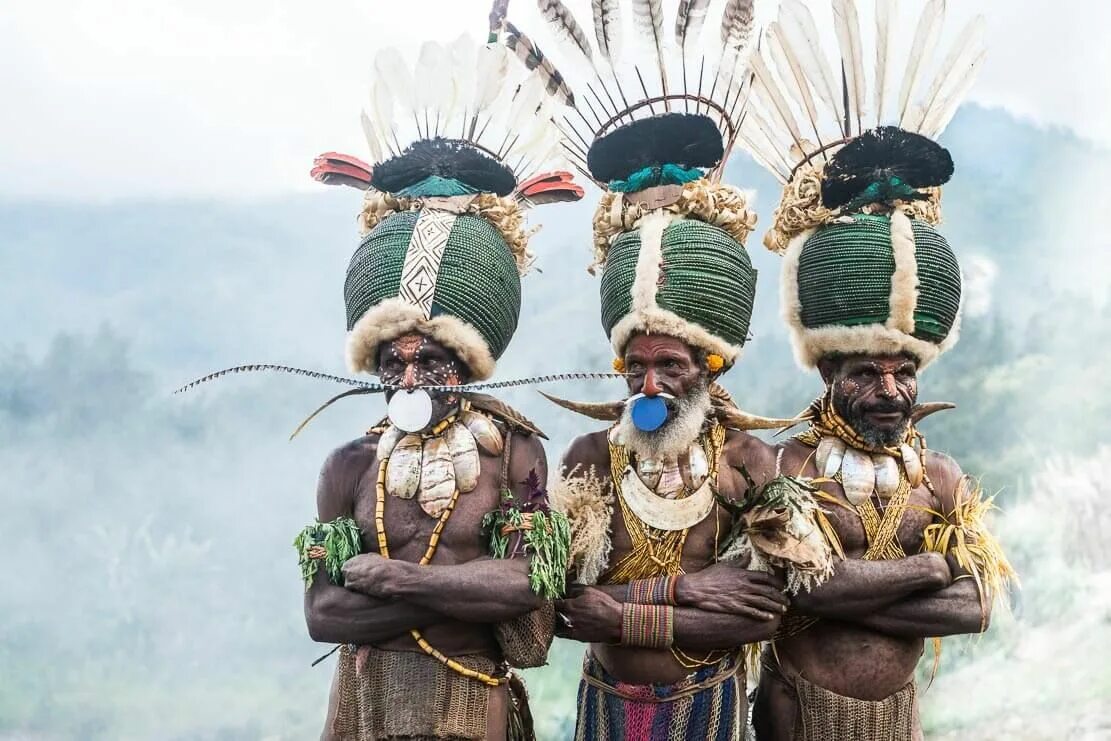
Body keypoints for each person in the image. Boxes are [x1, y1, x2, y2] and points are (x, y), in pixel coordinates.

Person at [518, 2, 834, 736]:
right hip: (606, 706)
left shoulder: (749, 464)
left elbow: (770, 609)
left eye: (669, 364)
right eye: (635, 367)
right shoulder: (591, 458)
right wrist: (698, 592)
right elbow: (564, 607)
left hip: (712, 705)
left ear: (708, 365)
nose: (649, 385)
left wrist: (627, 606)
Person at [292, 18, 583, 740]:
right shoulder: (350, 464)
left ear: (468, 361)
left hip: (472, 703)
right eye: (395, 361)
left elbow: (528, 586)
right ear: (375, 364)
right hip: (364, 707)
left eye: (432, 360)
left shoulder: (514, 453)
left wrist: (396, 581)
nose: (413, 374)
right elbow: (322, 613)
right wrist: (463, 594)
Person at [737, 2, 1016, 737]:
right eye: (865, 371)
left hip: (898, 721)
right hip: (795, 715)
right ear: (827, 370)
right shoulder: (788, 464)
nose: (888, 389)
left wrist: (840, 593)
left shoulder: (940, 477)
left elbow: (978, 603)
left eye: (901, 370)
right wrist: (927, 572)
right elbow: (801, 585)